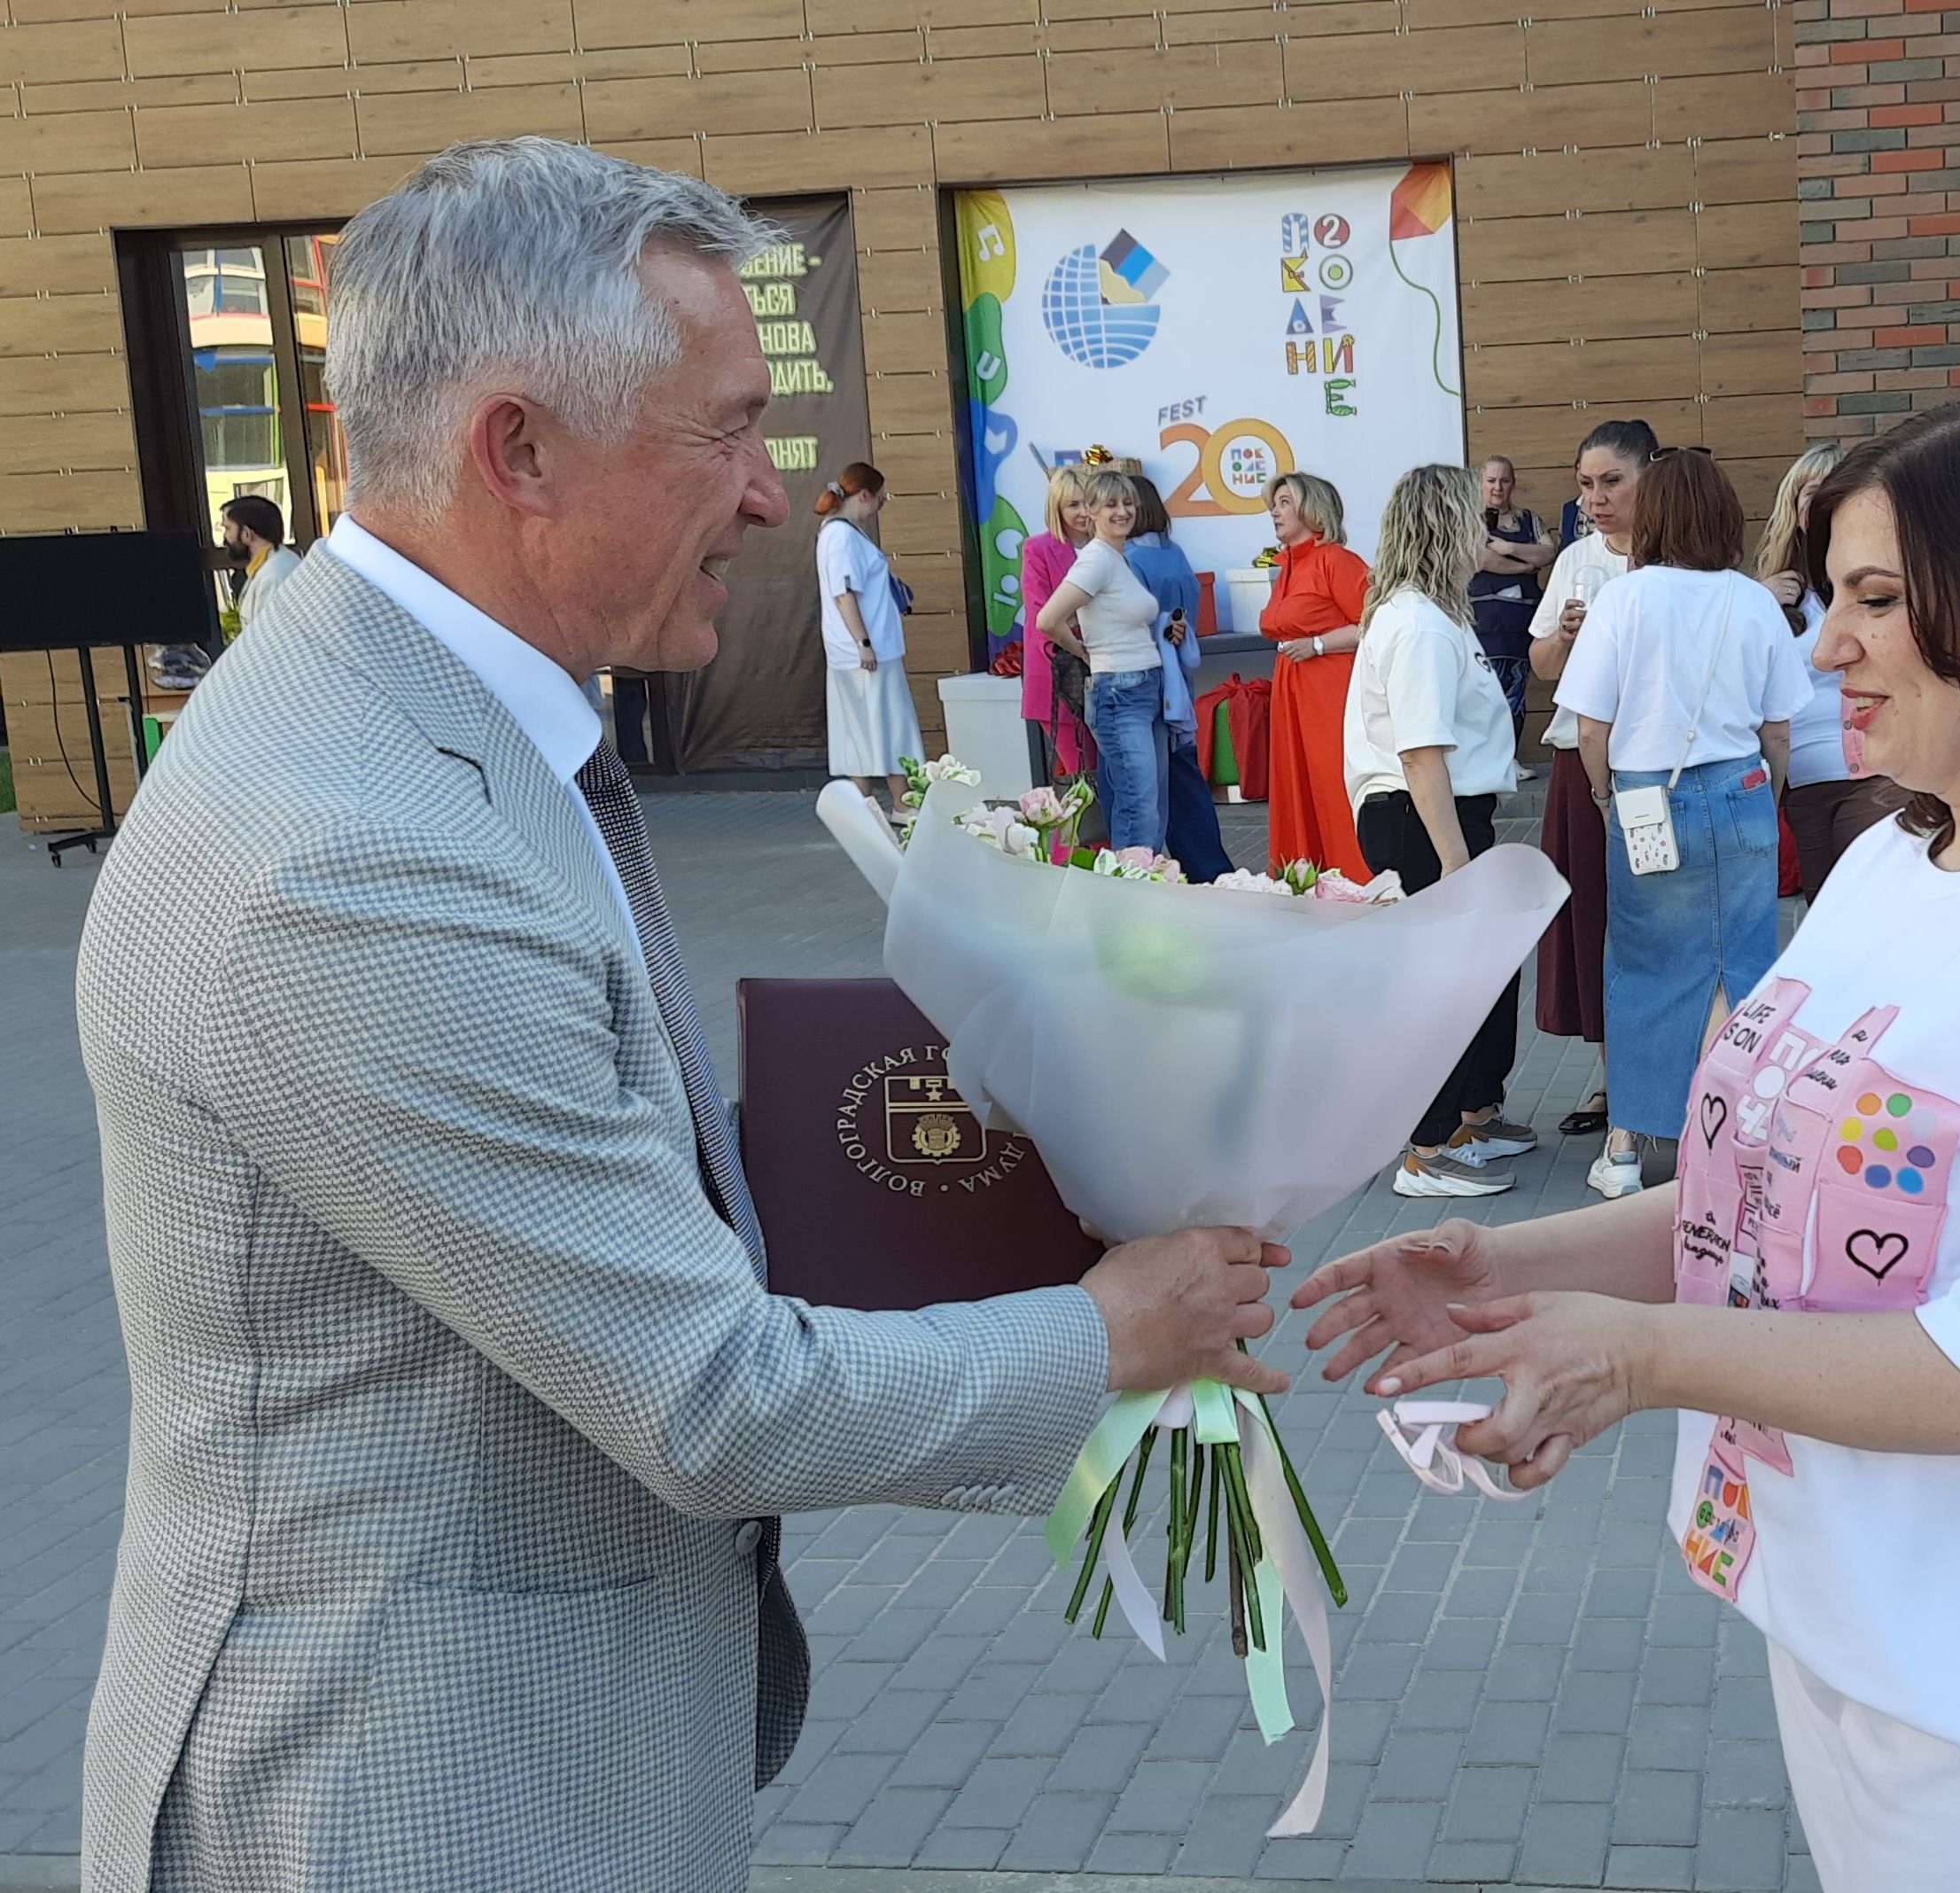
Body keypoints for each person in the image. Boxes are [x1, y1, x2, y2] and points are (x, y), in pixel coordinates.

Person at [69, 138, 1287, 1893]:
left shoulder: (429, 717)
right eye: (725, 430)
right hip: (405, 1795)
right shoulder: (349, 854)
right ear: (519, 451)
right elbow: (712, 1401)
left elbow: (580, 1162)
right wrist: (1109, 1331)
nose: (771, 496)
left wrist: (991, 1146)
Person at [1297, 386, 1960, 1893]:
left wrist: (1639, 1358)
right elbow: (1763, 1194)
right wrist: (1505, 1269)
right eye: (1829, 594)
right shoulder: (1896, 862)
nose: (1821, 647)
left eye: (1874, 601)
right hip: (1858, 1635)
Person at [1555, 447, 1806, 1199]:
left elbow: (1591, 726)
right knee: (1741, 960)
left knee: (1643, 965)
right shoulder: (1753, 601)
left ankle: (1625, 1147)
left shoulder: (1622, 601)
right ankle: (1730, 1137)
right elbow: (1779, 729)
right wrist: (1767, 798)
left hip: (1645, 796)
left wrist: (1604, 797)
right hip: (1742, 786)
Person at [1344, 463, 1539, 1199]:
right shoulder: (1419, 624)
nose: (1484, 537)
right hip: (1422, 819)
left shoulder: (1431, 613)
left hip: (1438, 815)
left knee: (1474, 977)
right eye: (1473, 523)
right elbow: (1420, 751)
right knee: (1437, 988)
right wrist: (1456, 864)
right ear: (1448, 527)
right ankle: (1424, 1151)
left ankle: (1464, 1119)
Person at [1526, 419, 1657, 1141]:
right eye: (1584, 485)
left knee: (1659, 921)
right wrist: (1567, 635)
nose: (1595, 499)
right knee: (1594, 917)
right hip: (1582, 758)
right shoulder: (1576, 558)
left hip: (1655, 756)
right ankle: (1615, 1082)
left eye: (1611, 482)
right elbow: (1543, 666)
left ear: (1648, 477)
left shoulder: (1675, 559)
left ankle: (1672, 1074)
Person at [1757, 443, 1909, 891]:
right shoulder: (1768, 594)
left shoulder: (1888, 579)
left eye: (1837, 491)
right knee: (1822, 906)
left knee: (1866, 896)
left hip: (1877, 775)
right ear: (1793, 510)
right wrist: (1757, 602)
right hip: (1805, 781)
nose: (1825, 503)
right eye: (1813, 493)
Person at [1037, 468, 1170, 853]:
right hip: (1118, 691)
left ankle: (1141, 875)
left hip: (1142, 685)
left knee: (1149, 802)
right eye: (1111, 504)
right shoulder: (1096, 560)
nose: (1122, 511)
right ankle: (1130, 881)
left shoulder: (1117, 558)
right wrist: (1083, 651)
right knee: (1138, 804)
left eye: (1128, 503)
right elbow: (1048, 619)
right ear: (1091, 512)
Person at [1258, 470, 1373, 877]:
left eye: (1285, 502)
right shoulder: (1288, 565)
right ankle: (1309, 876)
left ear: (1313, 509)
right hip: (1294, 693)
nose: (1275, 512)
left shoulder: (1336, 560)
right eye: (1274, 504)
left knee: (1332, 785)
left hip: (1330, 693)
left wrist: (1318, 644)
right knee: (1300, 784)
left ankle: (1357, 876)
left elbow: (1373, 623)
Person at [1124, 479, 1236, 881]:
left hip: (1144, 680)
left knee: (1149, 789)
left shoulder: (1128, 560)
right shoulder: (1175, 553)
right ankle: (1212, 870)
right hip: (1179, 681)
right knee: (1185, 780)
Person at [813, 460, 922, 813]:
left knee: (859, 728)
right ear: (863, 495)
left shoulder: (838, 532)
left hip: (857, 649)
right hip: (867, 650)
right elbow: (844, 594)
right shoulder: (842, 536)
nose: (880, 505)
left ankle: (864, 807)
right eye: (880, 499)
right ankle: (901, 804)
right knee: (888, 724)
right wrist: (864, 644)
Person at [1015, 460, 1100, 791]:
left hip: (1104, 674)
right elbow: (1042, 616)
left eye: (1088, 502)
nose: (1084, 512)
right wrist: (1078, 631)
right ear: (1057, 508)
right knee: (1085, 776)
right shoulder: (1038, 548)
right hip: (1060, 677)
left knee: (1104, 775)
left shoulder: (1106, 547)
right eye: (1073, 505)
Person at [1470, 455, 1557, 724]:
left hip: (1521, 623)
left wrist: (1508, 547)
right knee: (1484, 698)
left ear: (1513, 484)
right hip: (1483, 624)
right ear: (1480, 483)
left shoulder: (1529, 519)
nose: (1497, 487)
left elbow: (1548, 552)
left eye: (1504, 480)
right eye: (1491, 480)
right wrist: (1524, 566)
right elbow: (1482, 559)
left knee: (1515, 697)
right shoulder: (1469, 519)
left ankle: (1512, 749)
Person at [220, 494, 293, 640]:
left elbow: (270, 640)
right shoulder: (272, 565)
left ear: (246, 533)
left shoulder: (274, 576)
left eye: (228, 528)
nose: (225, 538)